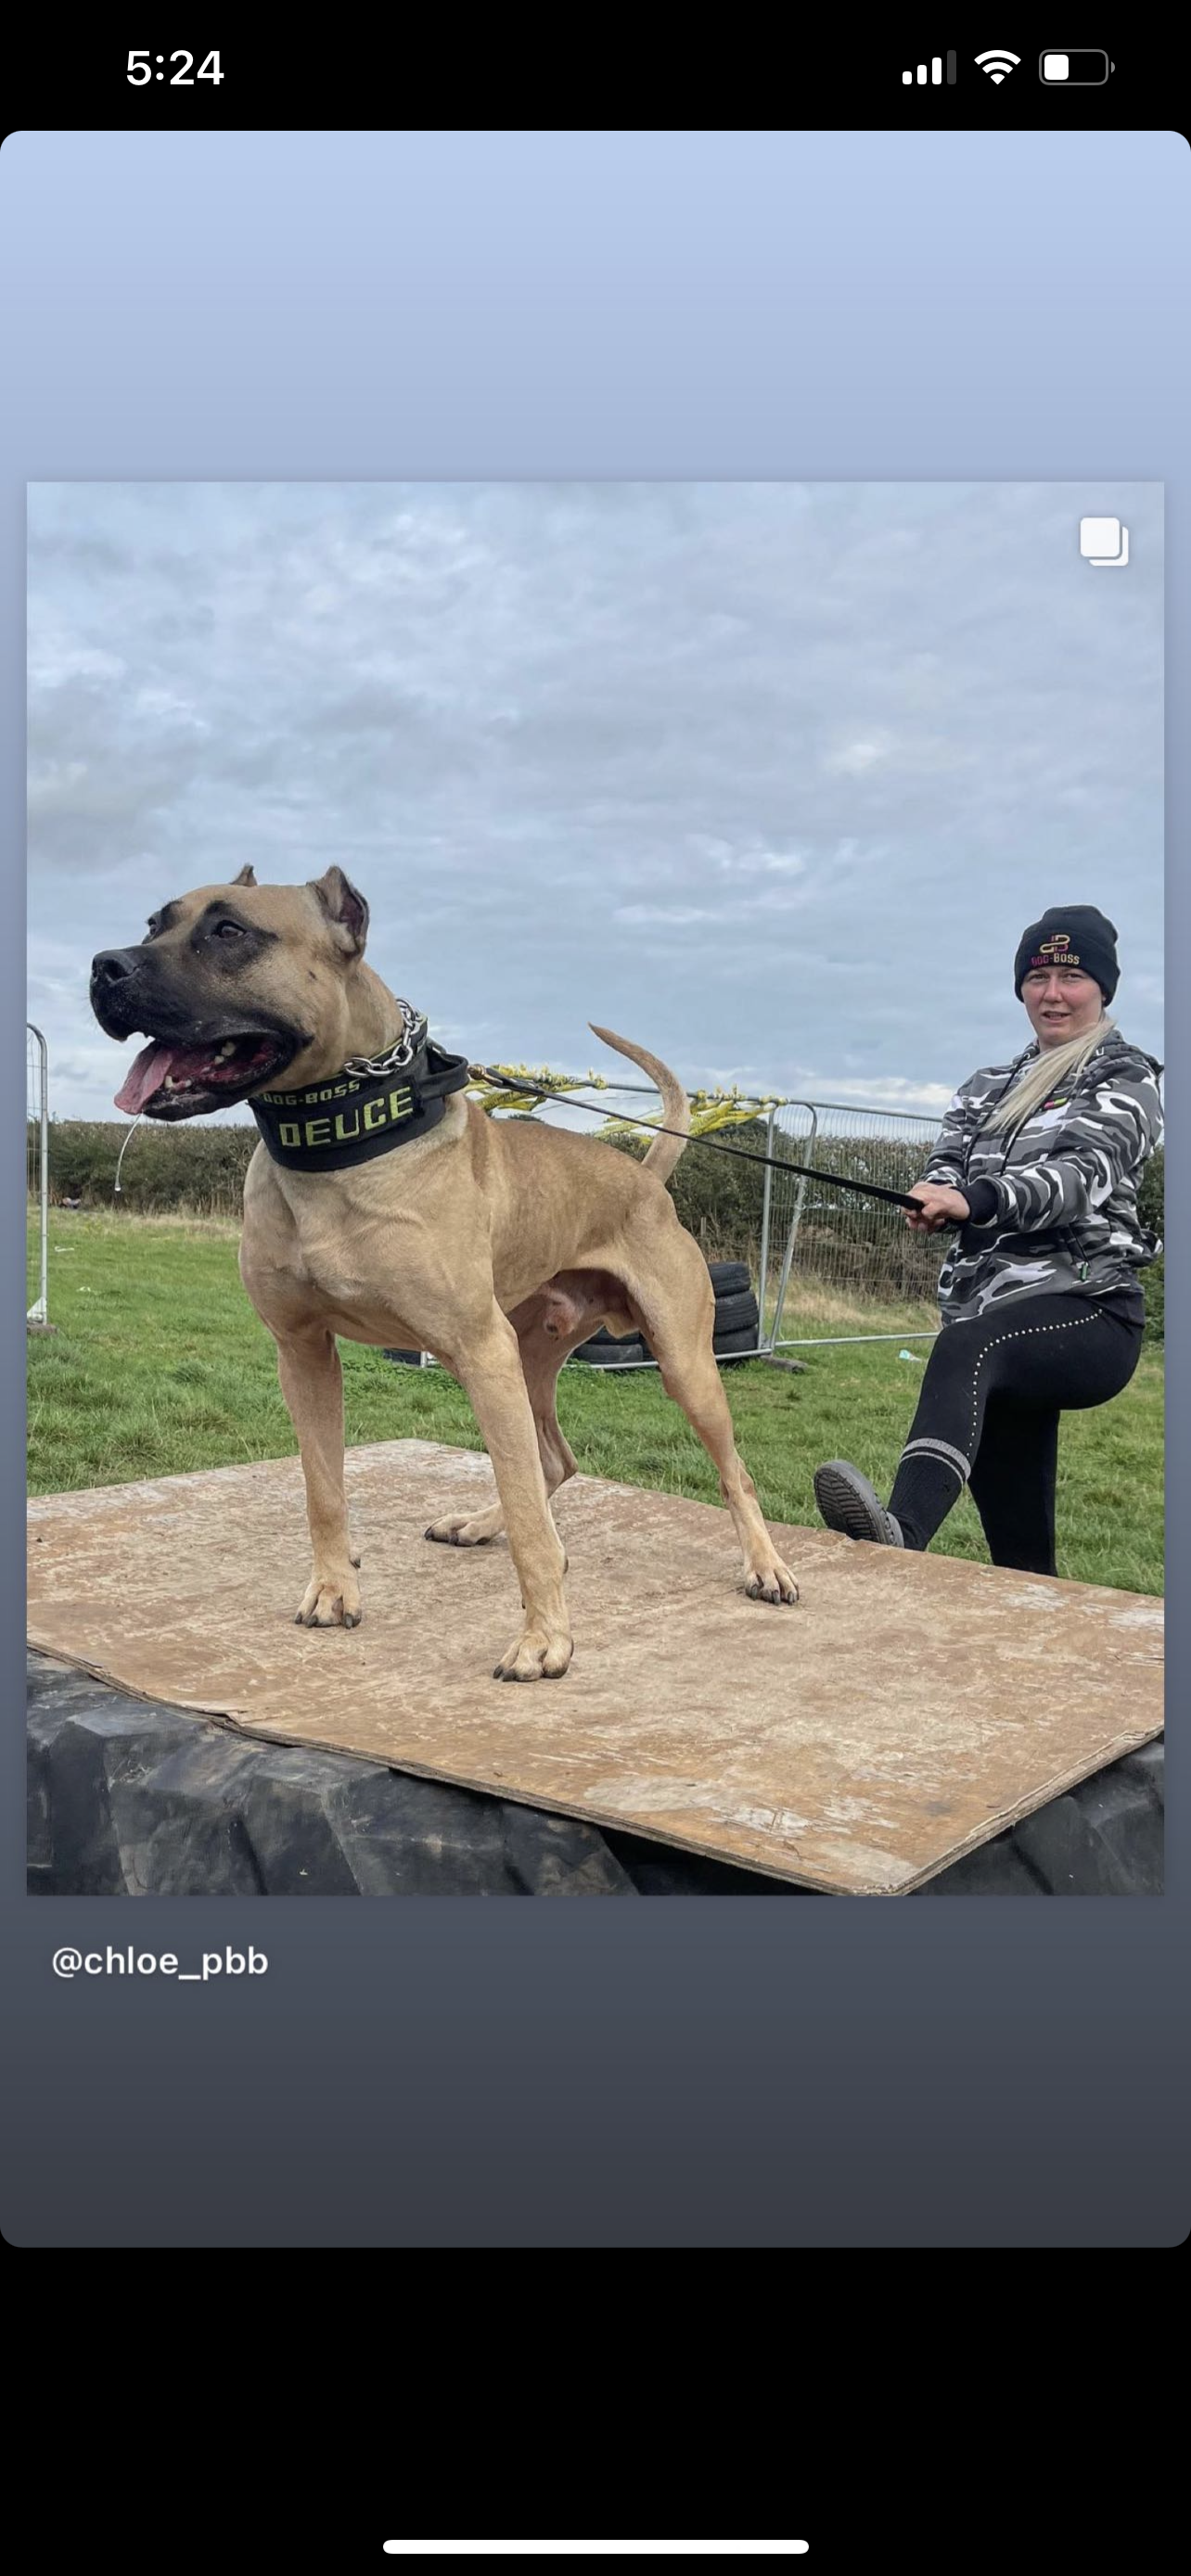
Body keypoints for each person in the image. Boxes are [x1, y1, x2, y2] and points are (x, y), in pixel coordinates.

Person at [813, 905, 1162, 1577]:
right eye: (1038, 977)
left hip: (1090, 1309)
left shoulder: (1125, 1077)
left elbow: (1075, 1179)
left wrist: (974, 1201)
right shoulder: (985, 1086)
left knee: (968, 1348)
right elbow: (947, 1166)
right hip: (993, 1311)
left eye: (1070, 976)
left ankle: (902, 1534)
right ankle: (1040, 1635)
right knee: (1021, 1560)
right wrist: (931, 1197)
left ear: (1102, 989)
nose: (1052, 993)